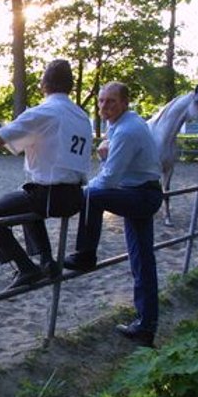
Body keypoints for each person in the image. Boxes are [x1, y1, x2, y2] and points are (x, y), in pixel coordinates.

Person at [0, 59, 92, 290]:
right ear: (70, 86)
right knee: (26, 194)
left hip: (50, 196)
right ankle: (46, 261)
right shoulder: (81, 116)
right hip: (76, 196)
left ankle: (26, 267)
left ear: (44, 84)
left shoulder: (42, 112)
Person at [62, 82, 163, 347]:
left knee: (91, 196)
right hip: (140, 192)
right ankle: (146, 326)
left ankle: (86, 254)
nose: (104, 107)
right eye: (101, 101)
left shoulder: (127, 130)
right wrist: (105, 157)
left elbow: (108, 180)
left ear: (125, 103)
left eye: (111, 101)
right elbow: (116, 171)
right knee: (142, 261)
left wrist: (82, 190)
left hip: (141, 195)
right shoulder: (121, 125)